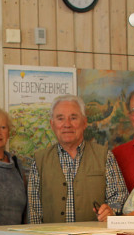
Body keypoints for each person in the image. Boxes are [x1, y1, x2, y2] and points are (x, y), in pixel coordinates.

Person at [28, 95, 128, 223]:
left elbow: (120, 198)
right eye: (60, 119)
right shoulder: (39, 161)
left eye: (73, 118)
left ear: (84, 123)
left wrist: (111, 211)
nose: (67, 124)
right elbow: (34, 213)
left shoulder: (104, 156)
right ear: (52, 125)